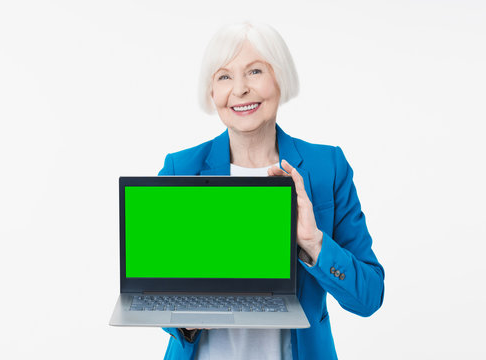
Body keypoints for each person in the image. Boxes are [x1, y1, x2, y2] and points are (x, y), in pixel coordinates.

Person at [158, 22, 384, 360]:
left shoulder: (327, 168)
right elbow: (157, 289)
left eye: (254, 71)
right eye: (224, 76)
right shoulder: (182, 168)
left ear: (281, 78)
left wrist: (313, 243)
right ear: (211, 92)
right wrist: (185, 320)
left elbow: (368, 296)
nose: (240, 89)